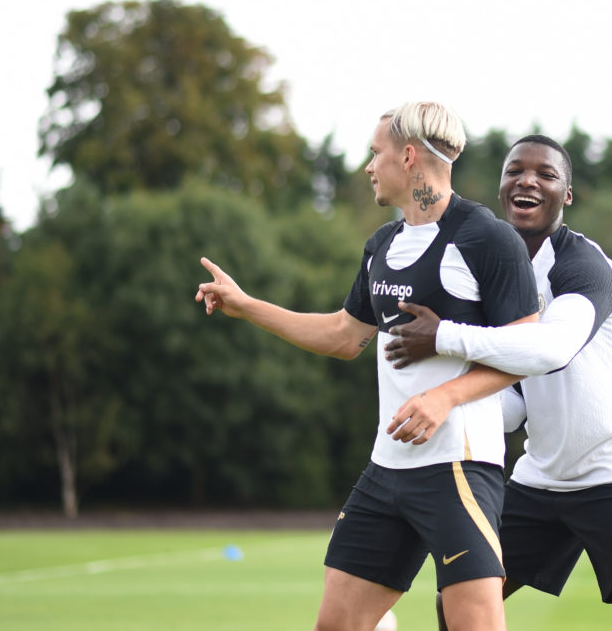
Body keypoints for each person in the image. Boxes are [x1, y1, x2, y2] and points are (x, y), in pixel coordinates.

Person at [195, 102, 539, 631]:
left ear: (408, 155)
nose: (368, 167)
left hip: (459, 471)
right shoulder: (381, 246)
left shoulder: (488, 239)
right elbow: (342, 335)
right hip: (386, 474)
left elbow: (528, 350)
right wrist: (247, 306)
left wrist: (443, 397)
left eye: (375, 153)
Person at [383, 135, 612, 630]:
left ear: (567, 194)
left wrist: (444, 336)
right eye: (514, 171)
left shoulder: (584, 266)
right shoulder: (499, 274)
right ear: (502, 188)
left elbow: (551, 350)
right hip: (540, 478)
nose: (527, 180)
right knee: (460, 601)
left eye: (545, 174)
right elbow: (514, 399)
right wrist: (437, 406)